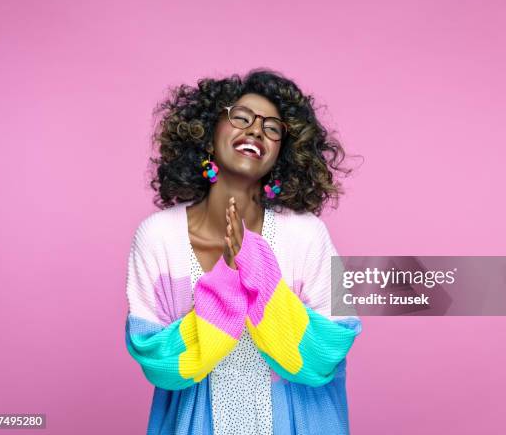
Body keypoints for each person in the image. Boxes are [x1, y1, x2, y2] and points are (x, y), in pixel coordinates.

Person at [125, 68, 362, 435]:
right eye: (241, 117)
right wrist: (227, 285)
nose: (256, 130)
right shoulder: (158, 237)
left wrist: (257, 272)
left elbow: (326, 354)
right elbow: (158, 360)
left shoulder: (307, 236)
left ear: (281, 156)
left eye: (272, 128)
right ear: (206, 135)